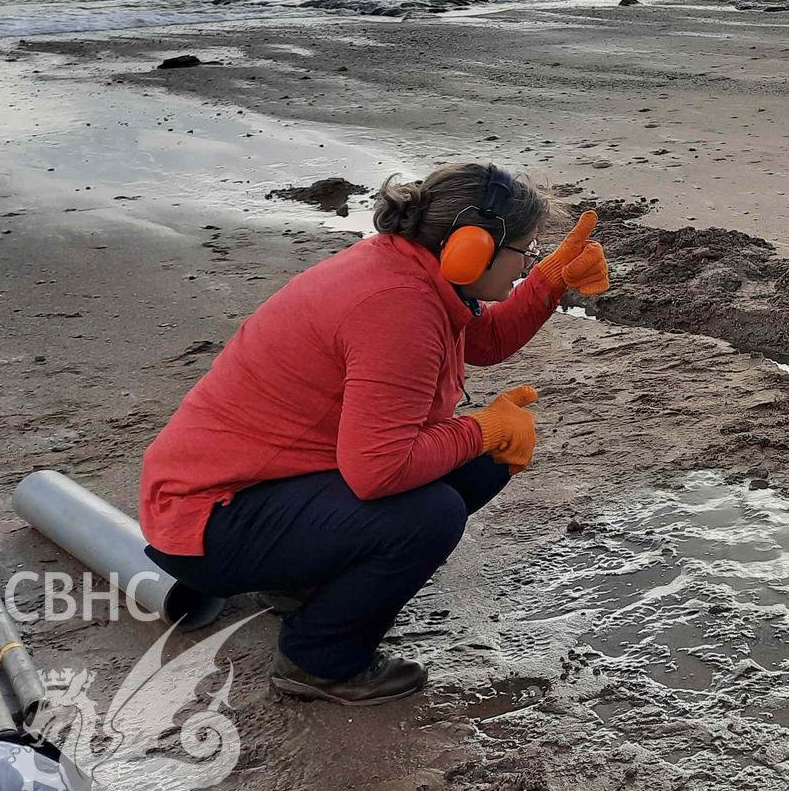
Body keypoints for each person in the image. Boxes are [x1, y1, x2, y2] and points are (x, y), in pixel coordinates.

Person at [139, 163, 610, 705]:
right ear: (470, 247)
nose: (526, 264)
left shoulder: (412, 270)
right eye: (525, 252)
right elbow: (380, 470)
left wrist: (549, 282)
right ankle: (319, 658)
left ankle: (307, 584)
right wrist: (479, 430)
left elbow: (481, 342)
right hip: (210, 521)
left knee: (483, 462)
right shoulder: (396, 307)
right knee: (430, 513)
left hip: (256, 491)